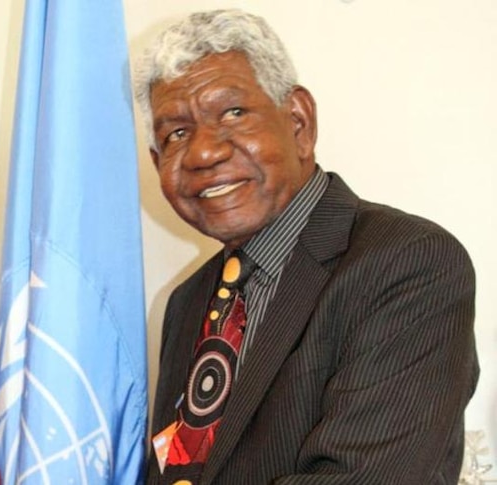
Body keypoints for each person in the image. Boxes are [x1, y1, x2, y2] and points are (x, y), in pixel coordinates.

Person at [133, 9, 478, 484]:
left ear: (298, 122)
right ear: (158, 162)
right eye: (176, 134)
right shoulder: (188, 301)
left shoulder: (409, 263)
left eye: (233, 113)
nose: (203, 152)